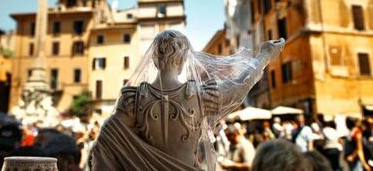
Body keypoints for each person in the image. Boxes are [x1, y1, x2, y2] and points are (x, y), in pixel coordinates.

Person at [92, 30, 285, 170]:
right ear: (184, 58)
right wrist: (264, 54)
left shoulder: (133, 100)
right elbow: (241, 84)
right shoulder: (201, 96)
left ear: (154, 59)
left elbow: (104, 144)